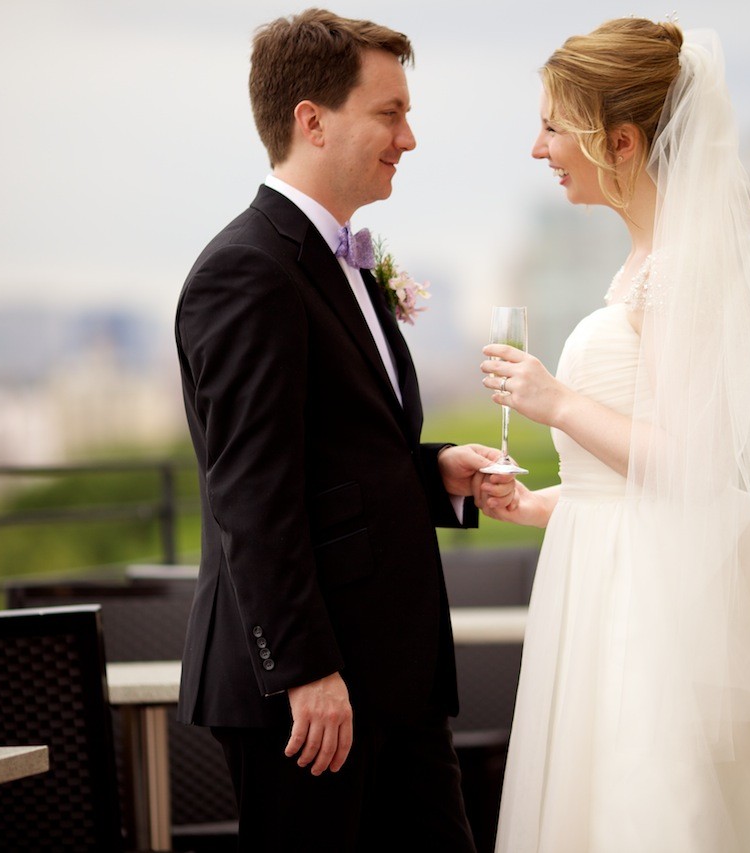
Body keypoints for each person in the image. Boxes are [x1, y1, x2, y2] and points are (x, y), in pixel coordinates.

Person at [479, 19, 750, 852]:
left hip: (656, 618)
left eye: (555, 126)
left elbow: (691, 464)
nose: (538, 148)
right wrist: (538, 505)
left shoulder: (681, 273)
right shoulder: (638, 265)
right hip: (609, 588)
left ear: (620, 140)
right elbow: (634, 482)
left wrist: (552, 401)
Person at [173, 9, 510, 851]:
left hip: (394, 677)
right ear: (311, 121)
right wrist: (306, 672)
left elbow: (339, 450)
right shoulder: (246, 272)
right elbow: (251, 493)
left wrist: (434, 473)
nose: (411, 137)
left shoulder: (343, 260)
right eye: (390, 112)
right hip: (313, 695)